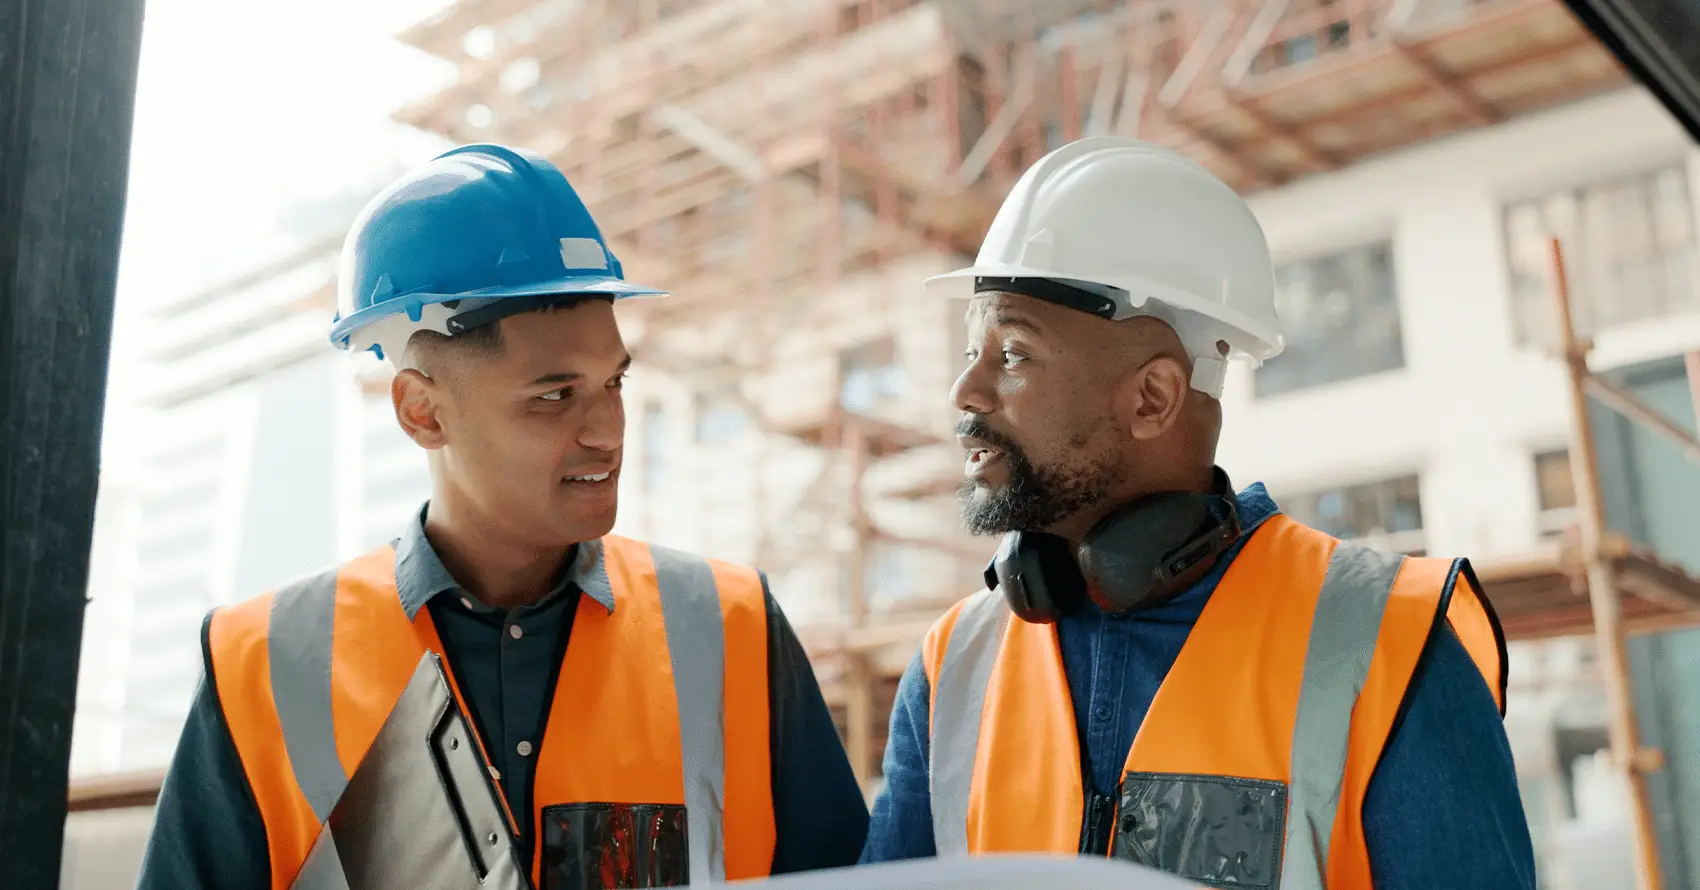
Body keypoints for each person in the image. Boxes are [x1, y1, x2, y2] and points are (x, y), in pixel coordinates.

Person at [136, 143, 869, 889]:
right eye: (554, 396)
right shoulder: (263, 662)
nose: (608, 431)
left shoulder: (731, 627)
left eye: (613, 382)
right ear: (423, 412)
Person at [860, 136, 1536, 889]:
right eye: (970, 351)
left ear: (1153, 397)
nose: (966, 392)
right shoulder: (952, 667)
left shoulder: (1389, 643)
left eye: (1012, 353)